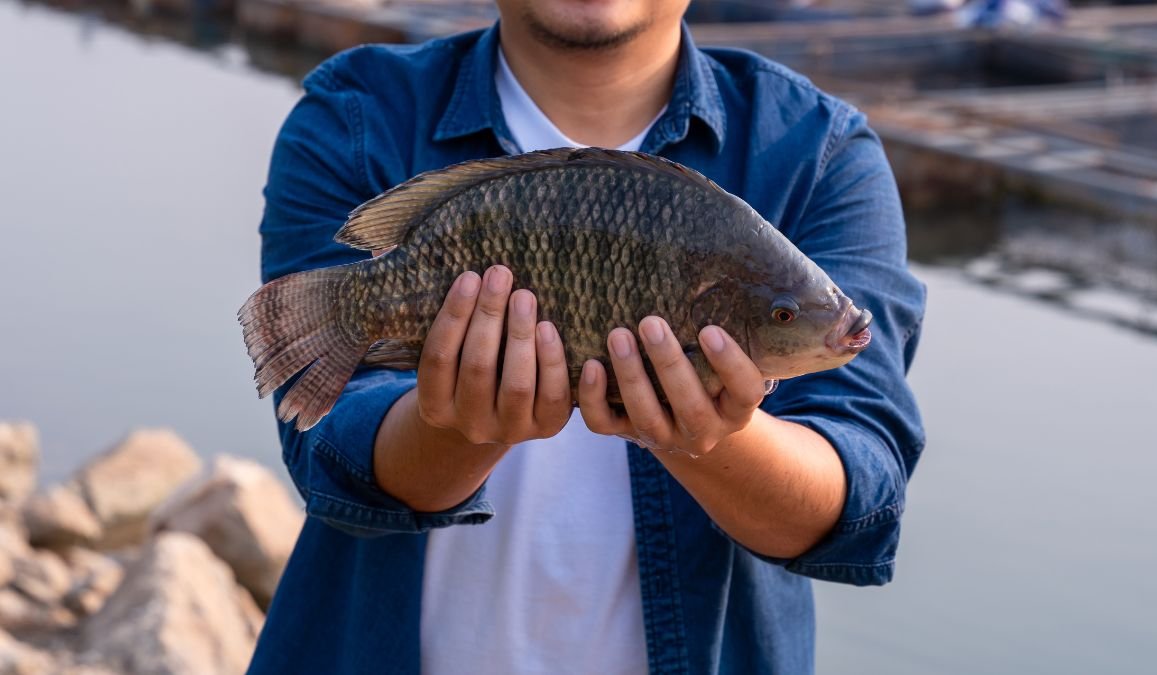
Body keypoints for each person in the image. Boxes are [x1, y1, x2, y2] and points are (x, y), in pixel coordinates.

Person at [247, 1, 925, 673]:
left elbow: (861, 498)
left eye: (780, 316)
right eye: (784, 316)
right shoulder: (356, 114)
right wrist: (456, 426)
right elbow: (325, 446)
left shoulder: (819, 153)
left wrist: (711, 438)